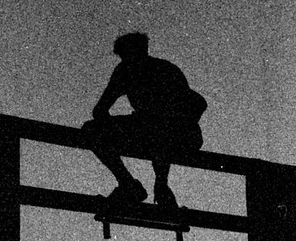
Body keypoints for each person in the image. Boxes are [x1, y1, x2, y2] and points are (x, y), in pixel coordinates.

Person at [81, 33, 207, 208]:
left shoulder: (161, 70)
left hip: (180, 134)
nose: (127, 60)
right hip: (159, 131)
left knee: (157, 130)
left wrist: (161, 181)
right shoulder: (128, 71)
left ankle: (138, 185)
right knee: (93, 130)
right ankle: (130, 184)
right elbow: (100, 110)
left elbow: (192, 108)